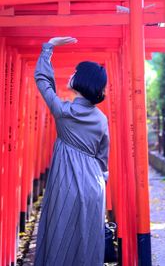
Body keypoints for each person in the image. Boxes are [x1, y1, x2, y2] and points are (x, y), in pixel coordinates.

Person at [33, 37, 110, 266]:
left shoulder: (63, 111)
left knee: (60, 236)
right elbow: (103, 158)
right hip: (95, 184)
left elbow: (42, 80)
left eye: (75, 72)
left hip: (66, 182)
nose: (71, 75)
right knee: (87, 241)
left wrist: (48, 47)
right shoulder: (101, 119)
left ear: (81, 80)